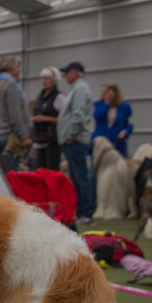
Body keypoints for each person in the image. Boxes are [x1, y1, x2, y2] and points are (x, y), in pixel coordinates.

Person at [57, 60, 95, 225]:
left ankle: (86, 212)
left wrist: (70, 134)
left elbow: (78, 114)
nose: (66, 75)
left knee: (80, 177)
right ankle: (82, 211)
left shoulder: (80, 89)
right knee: (77, 176)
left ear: (76, 73)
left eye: (68, 72)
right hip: (73, 139)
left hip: (75, 139)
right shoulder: (77, 89)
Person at [0, 56, 32, 172]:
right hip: (10, 137)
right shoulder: (11, 86)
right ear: (10, 68)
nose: (20, 70)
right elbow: (15, 114)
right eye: (18, 67)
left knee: (1, 175)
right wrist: (24, 136)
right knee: (11, 176)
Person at [29, 67, 63, 172]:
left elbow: (64, 119)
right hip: (39, 139)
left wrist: (46, 119)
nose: (44, 81)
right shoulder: (39, 97)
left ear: (55, 80)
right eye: (43, 78)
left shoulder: (60, 97)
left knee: (52, 171)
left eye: (47, 78)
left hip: (52, 140)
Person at [93, 82, 133, 157]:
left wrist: (125, 131)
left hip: (117, 143)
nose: (104, 94)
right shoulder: (98, 104)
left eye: (106, 92)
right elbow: (98, 117)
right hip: (102, 143)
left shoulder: (124, 107)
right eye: (103, 92)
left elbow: (129, 125)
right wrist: (107, 103)